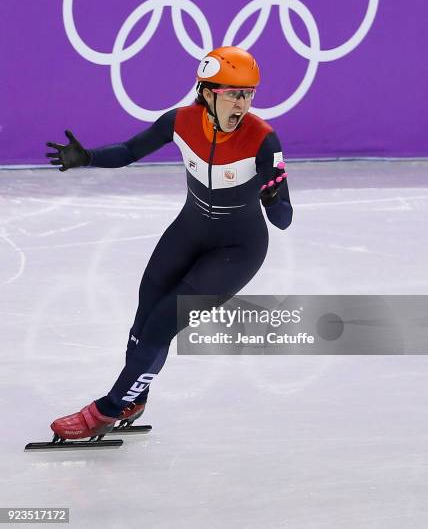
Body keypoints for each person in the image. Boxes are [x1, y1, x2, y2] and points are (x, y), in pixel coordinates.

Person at [45, 46, 293, 441]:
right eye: (233, 93)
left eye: (248, 94)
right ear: (207, 92)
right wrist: (87, 157)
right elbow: (129, 151)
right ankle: (134, 396)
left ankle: (106, 410)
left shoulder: (264, 138)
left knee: (163, 324)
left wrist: (273, 198)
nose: (242, 104)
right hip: (190, 230)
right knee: (144, 316)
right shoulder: (181, 121)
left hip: (238, 249)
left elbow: (284, 220)